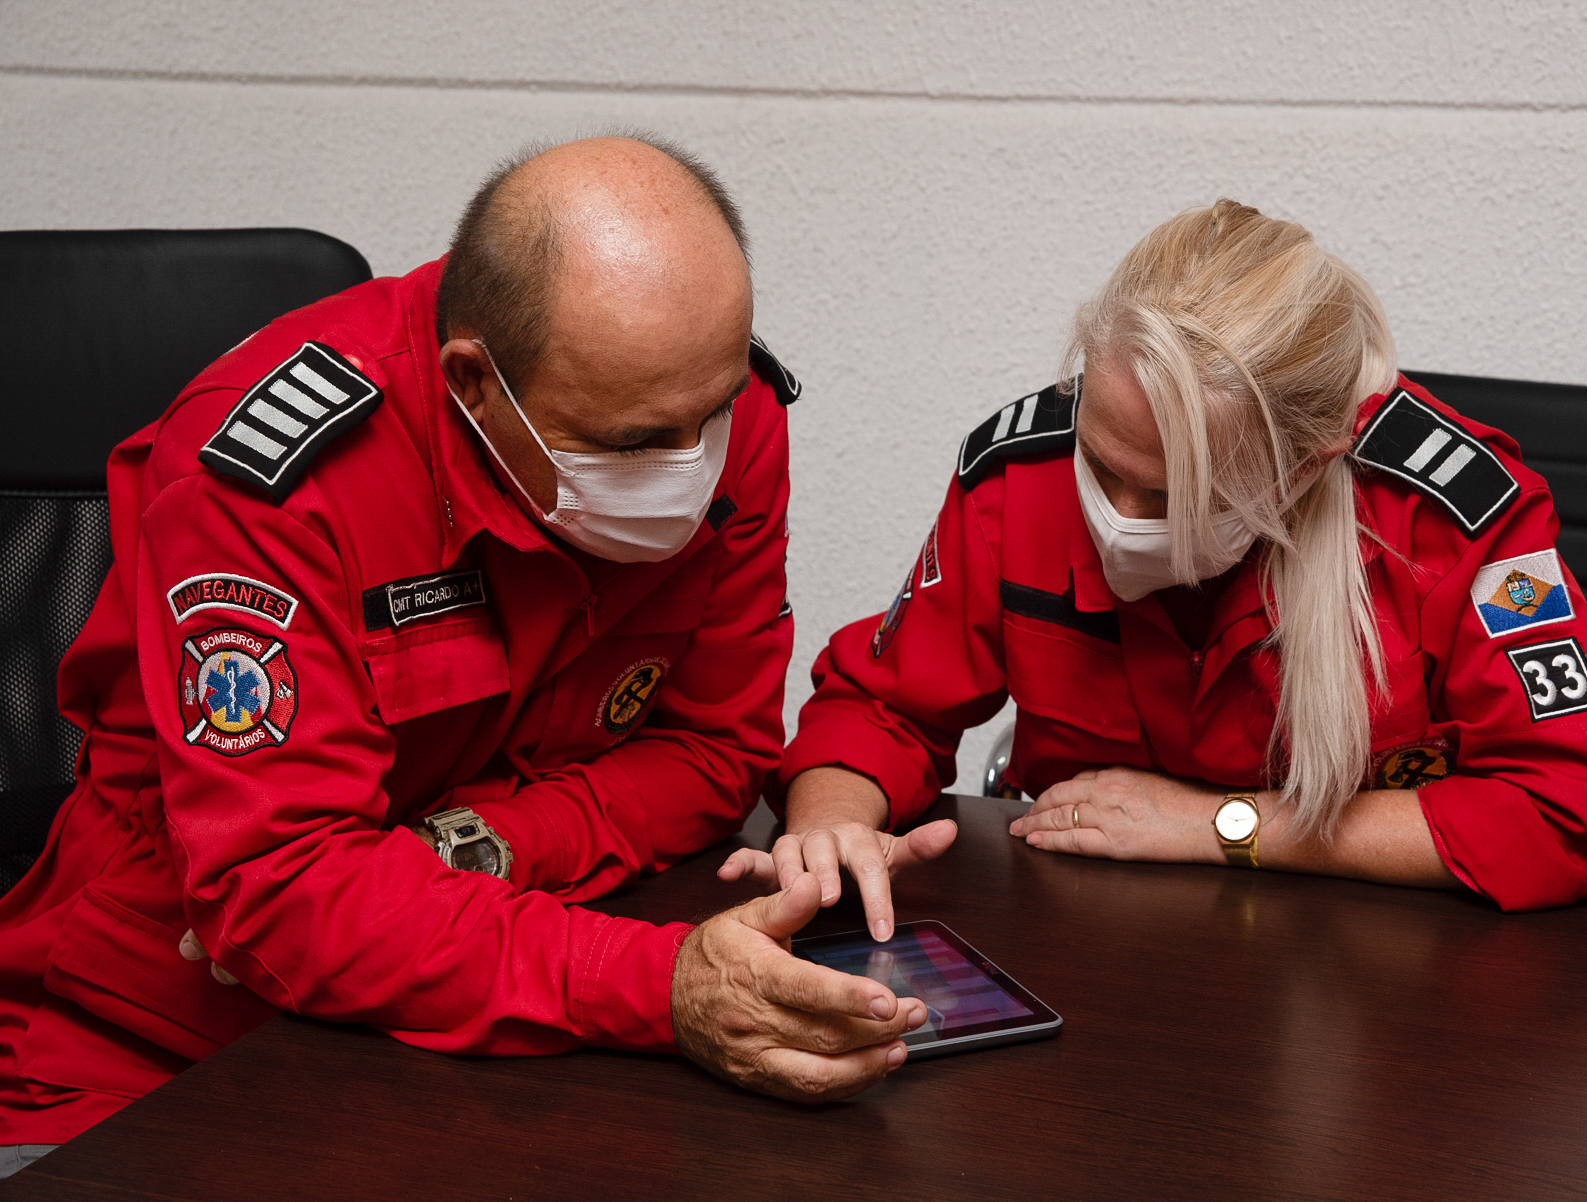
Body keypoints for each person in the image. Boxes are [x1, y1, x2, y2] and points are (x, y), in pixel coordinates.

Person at [0, 136, 927, 1165]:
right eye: (630, 445)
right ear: (475, 385)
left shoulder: (710, 398)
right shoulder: (274, 479)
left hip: (491, 997)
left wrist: (470, 844)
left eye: (709, 419)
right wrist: (657, 984)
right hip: (170, 1032)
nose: (692, 469)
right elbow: (280, 889)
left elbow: (711, 750)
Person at [725, 200, 1587, 936]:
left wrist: (1222, 827)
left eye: (1174, 494)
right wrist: (827, 827)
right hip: (1101, 955)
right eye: (1104, 464)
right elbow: (883, 705)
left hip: (1380, 987)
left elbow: (1575, 812)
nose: (1117, 519)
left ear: (1309, 463)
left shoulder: (1451, 519)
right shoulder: (1020, 478)